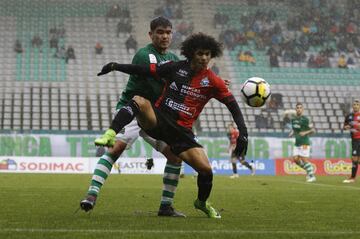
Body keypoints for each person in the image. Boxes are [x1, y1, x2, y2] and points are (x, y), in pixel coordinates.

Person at [95, 32, 248, 219]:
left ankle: (201, 203)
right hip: (159, 120)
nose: (204, 58)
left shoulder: (213, 81)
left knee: (206, 171)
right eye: (200, 53)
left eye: (208, 54)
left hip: (182, 132)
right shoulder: (175, 68)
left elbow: (233, 106)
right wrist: (115, 66)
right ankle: (111, 133)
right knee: (139, 101)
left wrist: (244, 133)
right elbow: (144, 71)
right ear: (191, 53)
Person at [80, 16, 185, 217]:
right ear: (151, 34)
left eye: (168, 32)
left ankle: (165, 206)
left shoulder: (172, 56)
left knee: (175, 155)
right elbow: (162, 79)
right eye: (160, 32)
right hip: (133, 110)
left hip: (155, 116)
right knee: (116, 148)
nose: (164, 36)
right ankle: (92, 194)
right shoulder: (144, 54)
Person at [289, 103, 316, 182]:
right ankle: (309, 171)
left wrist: (305, 133)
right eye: (297, 108)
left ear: (302, 109)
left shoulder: (306, 119)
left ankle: (312, 176)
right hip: (297, 143)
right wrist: (292, 133)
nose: (299, 109)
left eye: (300, 108)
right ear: (296, 109)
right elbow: (295, 129)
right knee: (295, 159)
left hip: (304, 142)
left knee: (304, 160)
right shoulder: (293, 119)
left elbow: (313, 130)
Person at [343, 99, 360, 183]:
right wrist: (346, 127)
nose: (355, 106)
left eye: (357, 104)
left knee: (354, 158)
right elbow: (344, 126)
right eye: (354, 104)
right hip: (354, 140)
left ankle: (352, 178)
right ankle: (352, 177)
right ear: (352, 106)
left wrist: (356, 125)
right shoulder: (349, 116)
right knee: (355, 159)